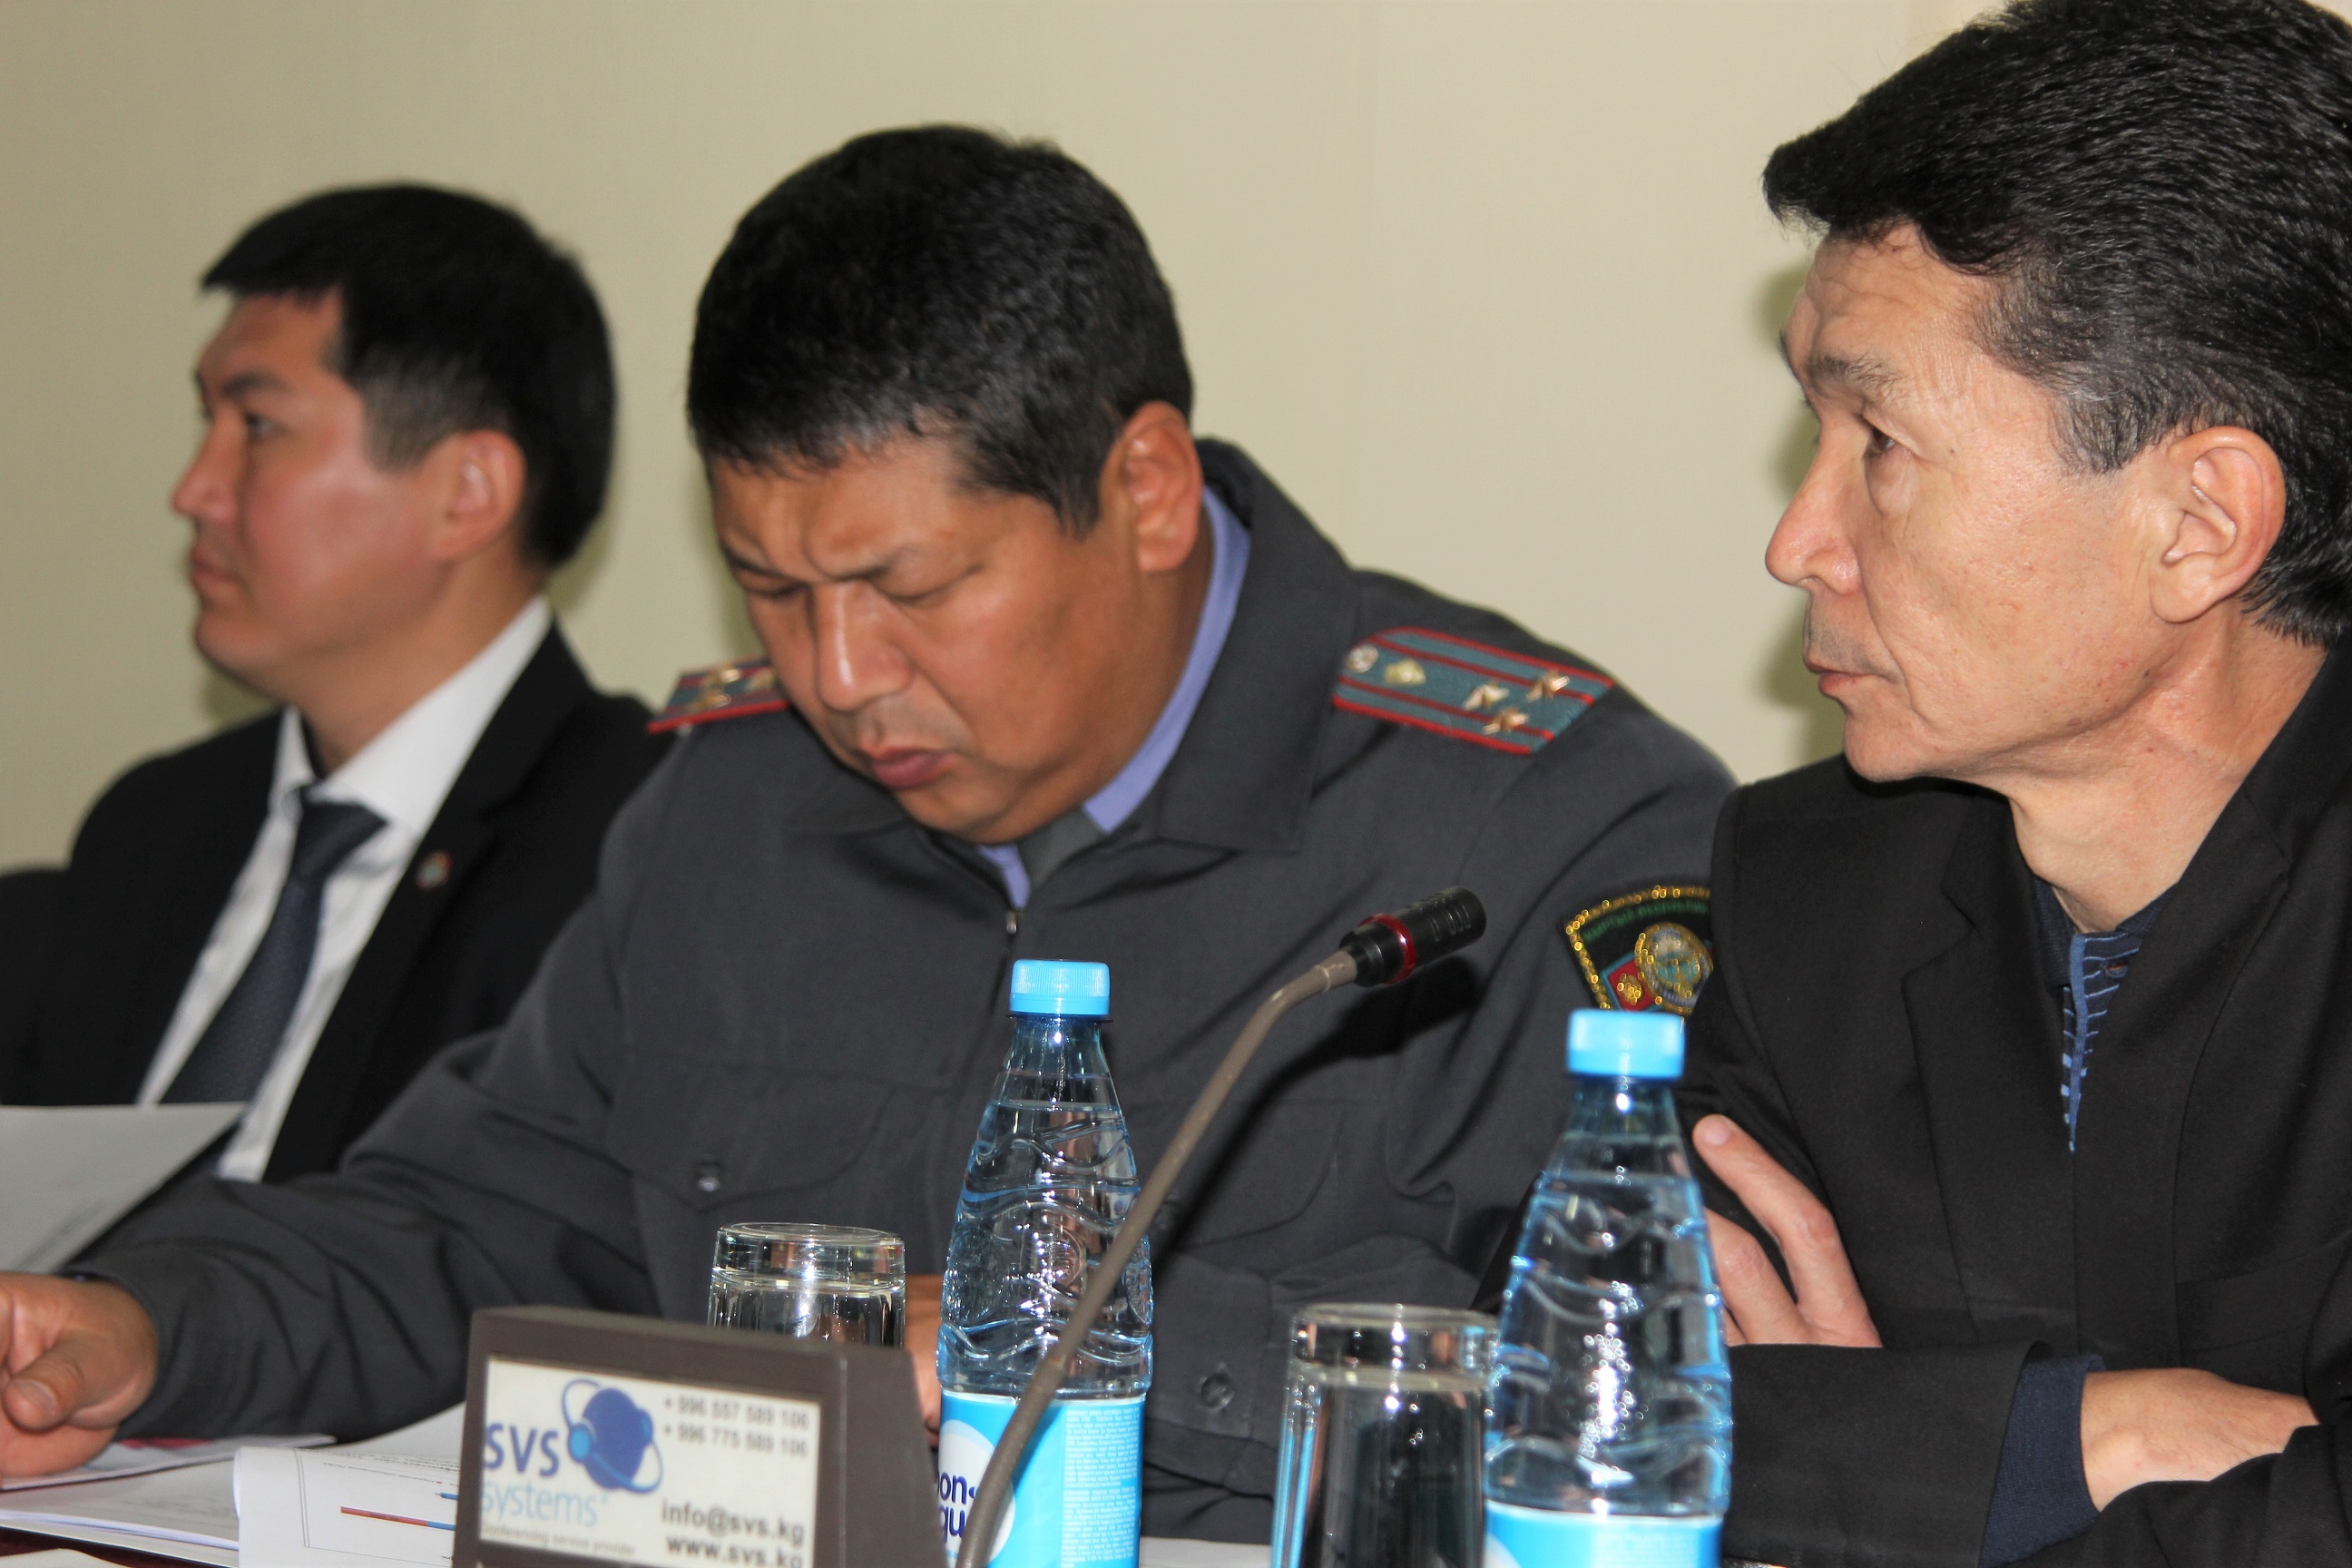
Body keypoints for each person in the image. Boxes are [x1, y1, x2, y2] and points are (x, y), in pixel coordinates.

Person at [0, 128, 1729, 1537]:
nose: (838, 678)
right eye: (770, 588)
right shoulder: (730, 806)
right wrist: (143, 1322)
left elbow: (1664, 1389)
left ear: (1142, 490)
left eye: (910, 586)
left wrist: (1055, 1349)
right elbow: (473, 1215)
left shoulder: (1535, 829)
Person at [1672, 1, 2352, 1563]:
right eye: (1813, 429)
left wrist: (1901, 1455)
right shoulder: (1816, 885)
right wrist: (2089, 1435)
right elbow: (1577, 1384)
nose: (1796, 542)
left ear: (2199, 524)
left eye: (1880, 441)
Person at [0, 186, 669, 1181]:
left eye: (259, 425)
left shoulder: (636, 851)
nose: (194, 490)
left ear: (466, 494)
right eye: (207, 420)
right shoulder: (153, 827)